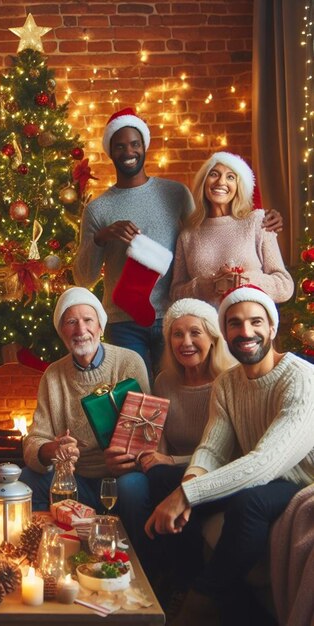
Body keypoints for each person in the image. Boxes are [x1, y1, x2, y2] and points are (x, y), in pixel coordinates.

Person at [145, 285, 314, 626]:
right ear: (225, 332)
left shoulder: (301, 378)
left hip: (297, 479)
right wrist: (188, 482)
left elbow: (266, 462)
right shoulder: (229, 383)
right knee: (163, 477)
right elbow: (212, 449)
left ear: (271, 328)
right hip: (256, 473)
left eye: (256, 322)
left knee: (248, 504)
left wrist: (187, 494)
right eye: (235, 324)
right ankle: (187, 581)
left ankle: (203, 599)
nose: (246, 332)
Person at [112, 298, 236, 582]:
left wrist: (170, 461)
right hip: (167, 470)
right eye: (177, 334)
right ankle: (144, 571)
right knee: (131, 483)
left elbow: (229, 451)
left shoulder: (228, 381)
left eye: (195, 332)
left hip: (212, 470)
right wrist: (146, 455)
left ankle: (179, 579)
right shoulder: (165, 381)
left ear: (213, 337)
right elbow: (160, 440)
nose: (186, 342)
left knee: (161, 477)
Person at [73, 108, 194, 376]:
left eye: (135, 144)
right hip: (122, 322)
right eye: (120, 146)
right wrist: (101, 237)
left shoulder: (176, 195)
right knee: (134, 402)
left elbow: (202, 239)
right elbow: (83, 277)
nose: (129, 152)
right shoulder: (98, 209)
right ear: (111, 152)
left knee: (172, 393)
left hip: (172, 316)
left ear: (144, 147)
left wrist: (258, 220)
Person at [21, 287, 150, 511]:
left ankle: (134, 547)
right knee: (26, 480)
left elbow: (149, 433)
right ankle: (52, 542)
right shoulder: (53, 375)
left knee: (134, 486)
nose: (81, 329)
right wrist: (54, 449)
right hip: (74, 478)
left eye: (88, 320)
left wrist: (124, 462)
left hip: (120, 478)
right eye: (71, 322)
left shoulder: (129, 362)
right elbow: (34, 440)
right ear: (62, 331)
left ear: (100, 326)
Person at [170, 151, 293, 308]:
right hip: (206, 327)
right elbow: (175, 293)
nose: (221, 182)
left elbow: (284, 285)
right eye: (214, 174)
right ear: (204, 182)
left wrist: (243, 281)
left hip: (247, 326)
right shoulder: (187, 235)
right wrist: (205, 286)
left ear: (238, 186)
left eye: (230, 177)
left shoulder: (258, 222)